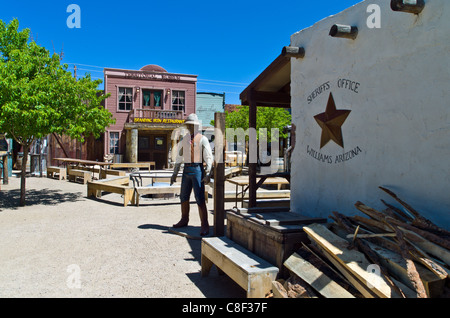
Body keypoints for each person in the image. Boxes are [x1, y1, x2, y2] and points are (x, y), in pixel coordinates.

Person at [170, 114, 213, 236]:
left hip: (197, 169)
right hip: (186, 170)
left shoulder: (202, 139)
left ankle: (204, 224)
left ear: (196, 126)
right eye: (188, 125)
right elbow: (179, 157)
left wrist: (208, 172)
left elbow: (208, 157)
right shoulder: (184, 140)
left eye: (191, 125)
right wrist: (175, 173)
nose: (189, 127)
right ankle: (184, 219)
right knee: (183, 196)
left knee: (199, 197)